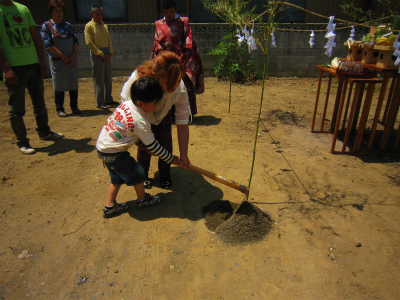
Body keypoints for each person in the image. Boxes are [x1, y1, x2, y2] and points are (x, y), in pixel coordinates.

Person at [96, 77, 181, 218]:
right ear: (141, 103)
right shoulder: (140, 121)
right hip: (115, 154)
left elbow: (125, 129)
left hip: (103, 148)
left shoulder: (126, 105)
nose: (157, 106)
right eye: (155, 103)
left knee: (116, 177)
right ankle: (143, 199)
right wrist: (172, 159)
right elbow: (154, 147)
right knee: (138, 173)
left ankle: (109, 206)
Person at [0, 0, 64, 155]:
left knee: (39, 103)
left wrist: (41, 60)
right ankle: (23, 142)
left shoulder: (23, 9)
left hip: (33, 63)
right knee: (17, 108)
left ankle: (44, 132)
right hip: (14, 67)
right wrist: (6, 68)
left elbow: (34, 35)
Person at [121, 51, 190, 189]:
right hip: (140, 114)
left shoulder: (179, 87)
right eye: (169, 83)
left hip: (162, 114)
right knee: (144, 148)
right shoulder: (138, 80)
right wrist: (140, 139)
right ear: (159, 76)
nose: (175, 86)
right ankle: (143, 175)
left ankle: (165, 175)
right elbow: (126, 108)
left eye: (177, 80)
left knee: (166, 144)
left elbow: (182, 124)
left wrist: (183, 154)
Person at [151, 0, 204, 117]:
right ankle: (167, 114)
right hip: (166, 60)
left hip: (183, 59)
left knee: (184, 84)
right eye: (166, 11)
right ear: (162, 11)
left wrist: (179, 61)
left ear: (175, 10)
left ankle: (187, 114)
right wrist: (165, 59)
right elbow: (157, 45)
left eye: (171, 11)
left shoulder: (183, 22)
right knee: (165, 84)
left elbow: (188, 43)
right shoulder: (159, 24)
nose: (168, 13)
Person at [40, 0, 80, 117]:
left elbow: (76, 42)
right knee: (59, 85)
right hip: (58, 61)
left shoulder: (67, 26)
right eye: (56, 11)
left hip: (71, 60)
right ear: (51, 12)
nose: (59, 13)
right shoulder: (46, 26)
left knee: (73, 83)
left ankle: (74, 106)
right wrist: (62, 56)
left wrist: (73, 57)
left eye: (61, 11)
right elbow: (48, 45)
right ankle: (60, 108)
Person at [84, 4, 118, 109]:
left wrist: (110, 52)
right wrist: (101, 54)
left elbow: (109, 40)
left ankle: (108, 98)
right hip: (97, 54)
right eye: (97, 14)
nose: (99, 16)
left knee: (108, 77)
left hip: (107, 53)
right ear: (92, 14)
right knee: (99, 78)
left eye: (101, 14)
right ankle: (100, 101)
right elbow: (89, 43)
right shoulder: (89, 26)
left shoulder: (104, 26)